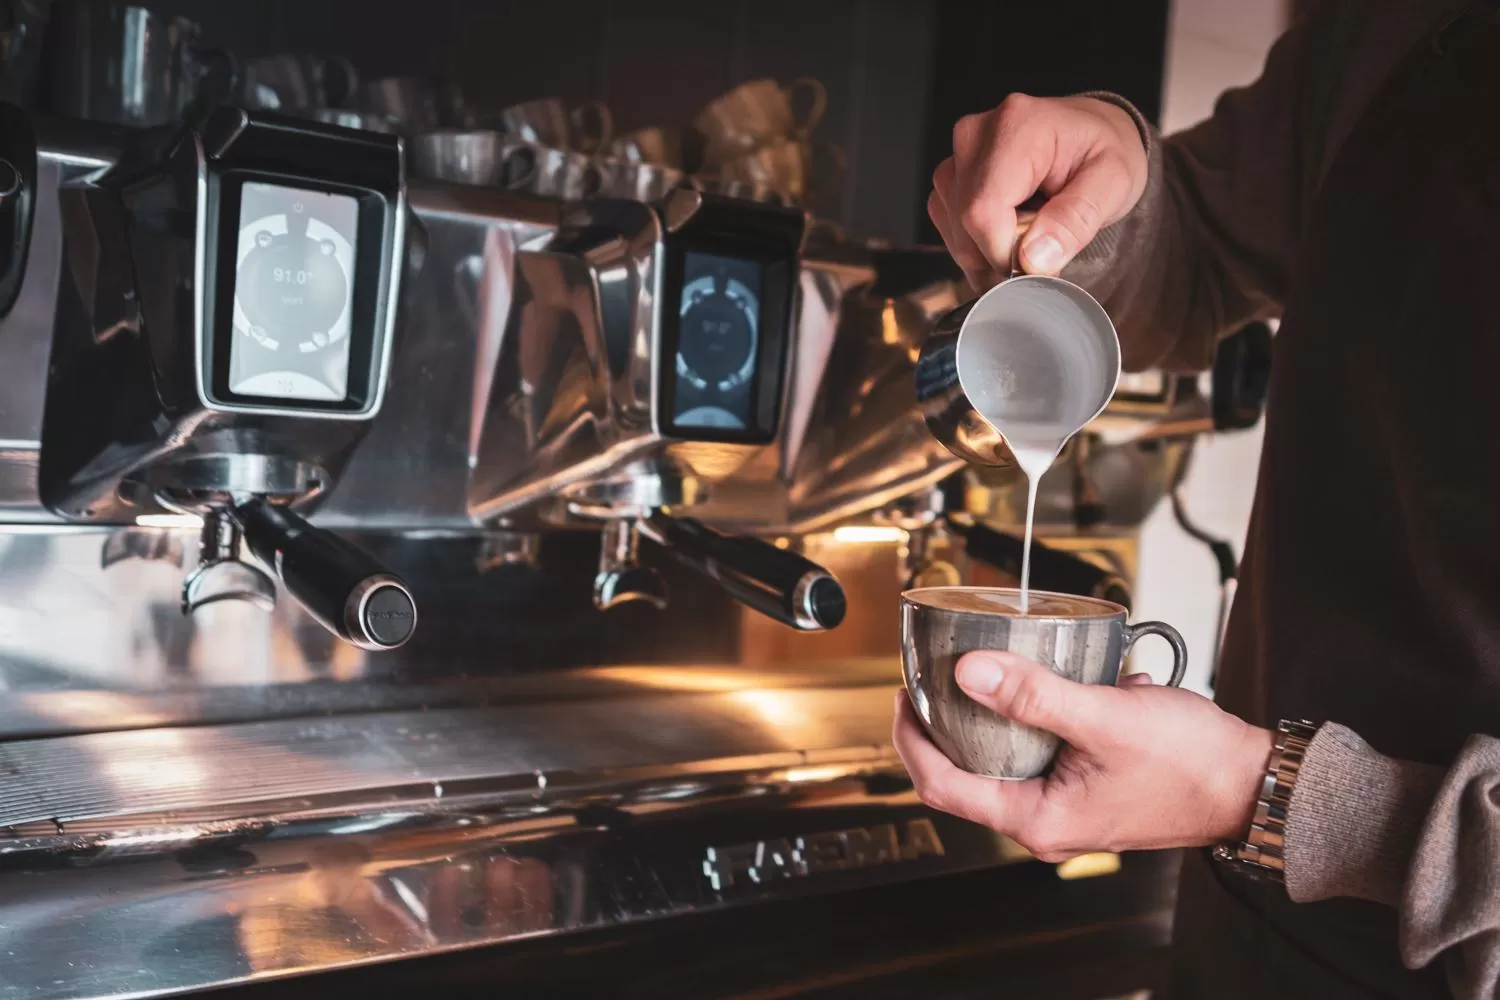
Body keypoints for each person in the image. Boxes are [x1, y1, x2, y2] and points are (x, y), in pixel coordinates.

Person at [892, 2, 1500, 998]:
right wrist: (1111, 170)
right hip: (1239, 925)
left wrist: (1265, 794)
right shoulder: (1400, 25)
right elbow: (1202, 240)